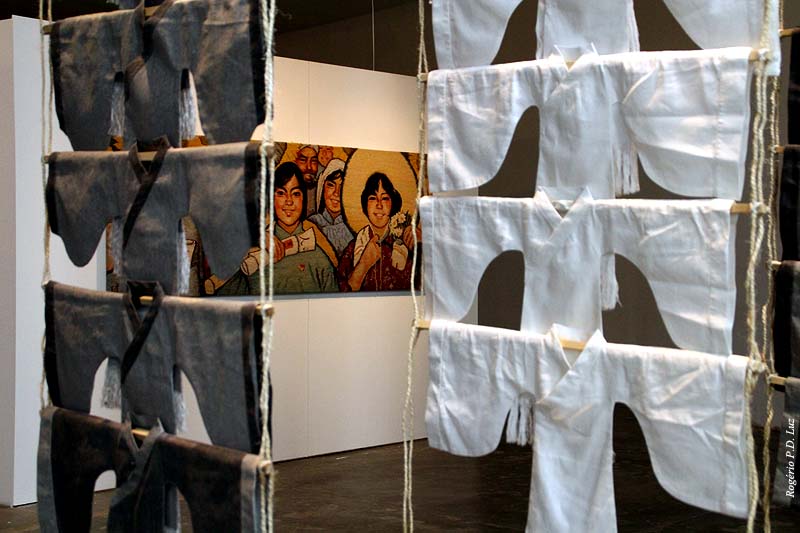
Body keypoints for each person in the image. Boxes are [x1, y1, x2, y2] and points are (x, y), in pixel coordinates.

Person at [212, 162, 338, 295]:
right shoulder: (253, 254)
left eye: (295, 194)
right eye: (281, 193)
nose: (289, 201)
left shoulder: (319, 259)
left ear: (304, 199)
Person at [337, 172, 417, 292]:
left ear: (393, 203)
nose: (379, 205)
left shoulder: (405, 245)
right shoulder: (352, 249)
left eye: (385, 198)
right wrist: (363, 264)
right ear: (365, 205)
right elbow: (340, 293)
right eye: (373, 198)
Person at [308, 158, 355, 257]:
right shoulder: (311, 224)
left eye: (342, 187)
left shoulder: (354, 228)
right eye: (331, 185)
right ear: (322, 188)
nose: (336, 193)